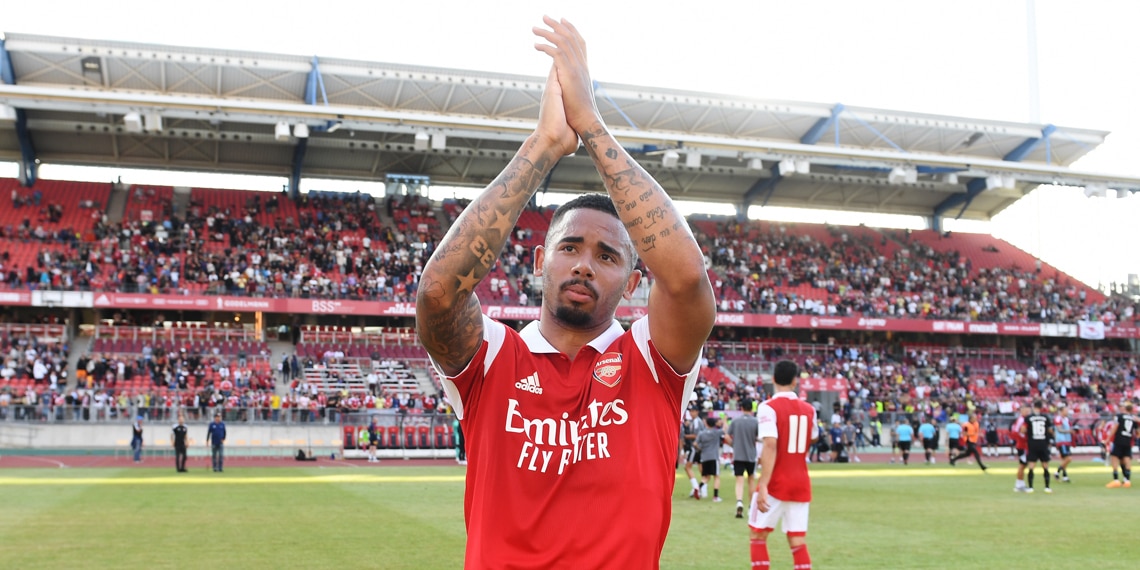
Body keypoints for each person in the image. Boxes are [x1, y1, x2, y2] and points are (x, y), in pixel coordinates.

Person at [413, 17, 716, 569]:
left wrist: (592, 126)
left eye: (607, 257)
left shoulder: (652, 360)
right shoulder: (493, 360)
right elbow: (437, 294)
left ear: (632, 282)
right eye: (569, 247)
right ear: (538, 262)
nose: (583, 265)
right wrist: (546, 143)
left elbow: (688, 279)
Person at [749, 360, 817, 570]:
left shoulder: (768, 407)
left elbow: (770, 445)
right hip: (800, 481)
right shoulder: (809, 409)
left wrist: (764, 485)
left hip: (777, 481)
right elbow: (814, 436)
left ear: (774, 379)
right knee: (797, 541)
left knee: (757, 535)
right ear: (796, 381)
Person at [728, 399, 759, 518]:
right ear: (751, 408)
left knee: (739, 480)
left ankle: (739, 501)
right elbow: (759, 437)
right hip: (751, 455)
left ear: (741, 408)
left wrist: (733, 444)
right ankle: (751, 506)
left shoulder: (735, 421)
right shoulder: (755, 422)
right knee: (751, 479)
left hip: (739, 454)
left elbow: (726, 435)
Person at [1022, 400, 1054, 494]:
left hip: (1033, 444)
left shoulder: (1028, 418)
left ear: (1033, 407)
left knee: (1031, 466)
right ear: (1041, 407)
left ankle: (1031, 487)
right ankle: (1047, 487)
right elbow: (1051, 430)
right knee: (1045, 466)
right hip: (1043, 443)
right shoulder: (1045, 417)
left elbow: (1023, 430)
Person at [696, 415, 727, 502]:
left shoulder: (701, 433)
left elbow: (695, 444)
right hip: (713, 456)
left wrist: (700, 449)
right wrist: (724, 420)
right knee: (716, 476)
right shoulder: (716, 432)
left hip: (704, 457)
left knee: (706, 476)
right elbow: (724, 430)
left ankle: (698, 488)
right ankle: (715, 496)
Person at [1105, 402, 1135, 489]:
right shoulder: (1133, 418)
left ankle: (1116, 480)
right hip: (1128, 441)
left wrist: (1108, 438)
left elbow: (1115, 427)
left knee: (1114, 458)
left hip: (1119, 440)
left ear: (1124, 408)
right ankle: (1127, 481)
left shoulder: (1119, 416)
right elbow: (1137, 432)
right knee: (1126, 459)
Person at [682, 406, 704, 498]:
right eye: (690, 411)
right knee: (700, 468)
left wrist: (685, 436)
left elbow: (697, 435)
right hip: (699, 447)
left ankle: (696, 487)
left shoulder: (697, 422)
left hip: (695, 447)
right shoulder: (694, 421)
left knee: (688, 467)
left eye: (693, 411)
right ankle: (701, 488)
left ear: (697, 412)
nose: (691, 413)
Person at [1010, 405, 1031, 492]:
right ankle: (1019, 485)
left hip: (1023, 445)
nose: (1028, 412)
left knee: (1024, 464)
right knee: (1022, 464)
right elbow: (1015, 432)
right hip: (1022, 446)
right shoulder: (1021, 420)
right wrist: (1023, 439)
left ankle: (1021, 484)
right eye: (1026, 410)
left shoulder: (1024, 419)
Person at [1053, 406, 1073, 482]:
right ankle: (1057, 472)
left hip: (1067, 440)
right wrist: (1069, 431)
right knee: (1068, 458)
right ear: (1061, 411)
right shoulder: (1058, 418)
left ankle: (1065, 476)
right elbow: (1059, 429)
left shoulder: (1066, 419)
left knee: (1064, 459)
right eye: (1066, 410)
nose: (1067, 412)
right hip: (1061, 440)